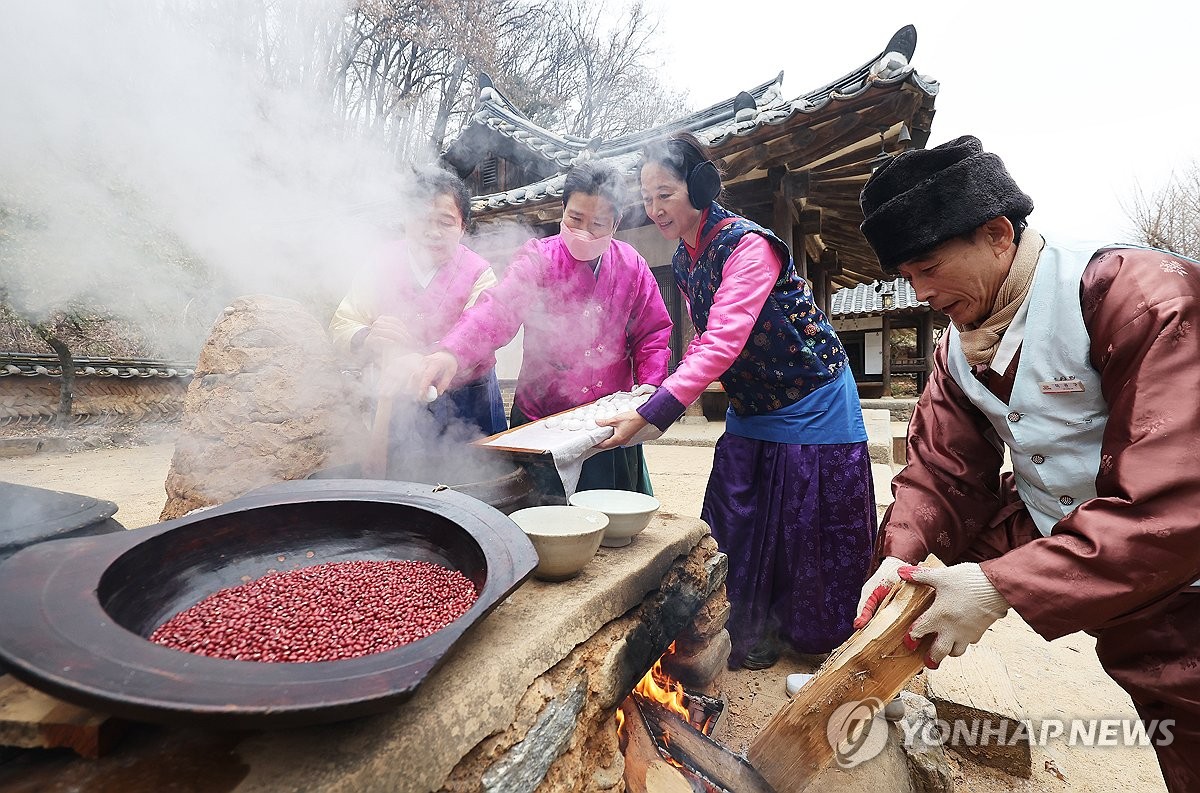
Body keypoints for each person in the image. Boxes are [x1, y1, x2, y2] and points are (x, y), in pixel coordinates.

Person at [851, 135, 1200, 792]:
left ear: (998, 234)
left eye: (928, 267)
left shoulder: (1136, 294)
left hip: (1178, 559)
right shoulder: (956, 349)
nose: (920, 293)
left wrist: (999, 586)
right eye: (907, 277)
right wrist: (897, 561)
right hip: (1068, 529)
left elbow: (1176, 502)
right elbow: (940, 473)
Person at [600, 133, 877, 670]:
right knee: (735, 508)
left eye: (666, 193)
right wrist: (658, 386)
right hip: (754, 401)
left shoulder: (750, 245)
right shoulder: (684, 259)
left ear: (700, 185)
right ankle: (738, 624)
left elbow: (724, 338)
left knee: (805, 524)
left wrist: (657, 411)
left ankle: (806, 634)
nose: (655, 209)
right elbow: (704, 336)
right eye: (647, 196)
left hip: (811, 396)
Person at [417, 159, 672, 496]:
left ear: (616, 223)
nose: (583, 232)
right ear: (562, 211)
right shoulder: (539, 258)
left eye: (597, 224)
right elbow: (498, 309)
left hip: (609, 423)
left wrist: (648, 389)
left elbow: (652, 334)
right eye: (575, 218)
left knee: (612, 533)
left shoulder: (633, 266)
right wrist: (452, 352)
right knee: (539, 524)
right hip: (541, 418)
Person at [329, 166, 507, 472]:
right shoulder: (379, 264)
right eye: (423, 219)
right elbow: (343, 323)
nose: (433, 231)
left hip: (467, 401)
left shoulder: (479, 272)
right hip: (395, 405)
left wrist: (430, 356)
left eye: (446, 222)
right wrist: (367, 337)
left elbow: (484, 329)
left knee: (476, 486)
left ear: (463, 227)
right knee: (399, 494)